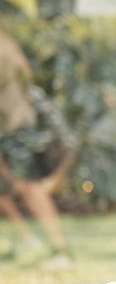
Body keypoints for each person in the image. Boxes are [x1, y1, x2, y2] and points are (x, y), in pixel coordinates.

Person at [0, 28, 75, 270]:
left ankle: (61, 250)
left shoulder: (3, 45)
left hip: (15, 125)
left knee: (29, 188)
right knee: (6, 189)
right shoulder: (6, 40)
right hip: (11, 123)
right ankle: (26, 241)